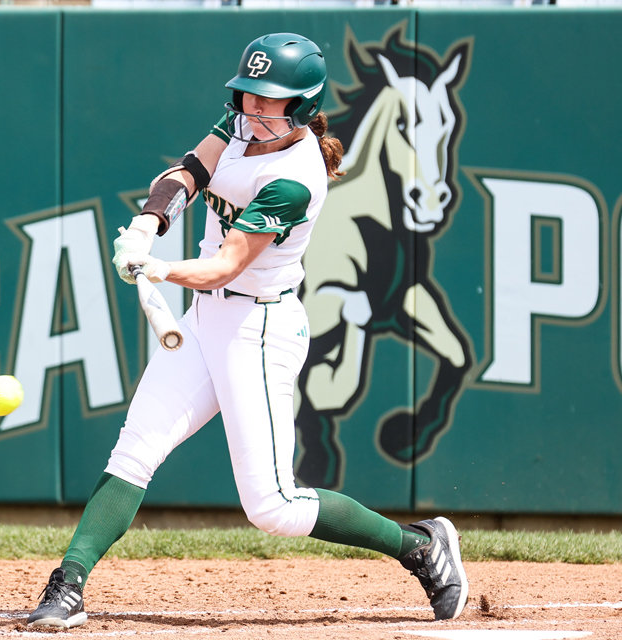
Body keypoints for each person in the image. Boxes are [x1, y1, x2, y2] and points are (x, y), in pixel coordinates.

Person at [26, 33, 468, 630]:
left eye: (271, 101)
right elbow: (189, 169)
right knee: (135, 449)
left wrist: (158, 266)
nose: (254, 109)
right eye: (249, 95)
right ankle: (69, 582)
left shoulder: (296, 177)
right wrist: (150, 222)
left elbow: (225, 266)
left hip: (258, 329)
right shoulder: (242, 124)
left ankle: (418, 546)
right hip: (208, 322)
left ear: (303, 108)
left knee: (274, 506)